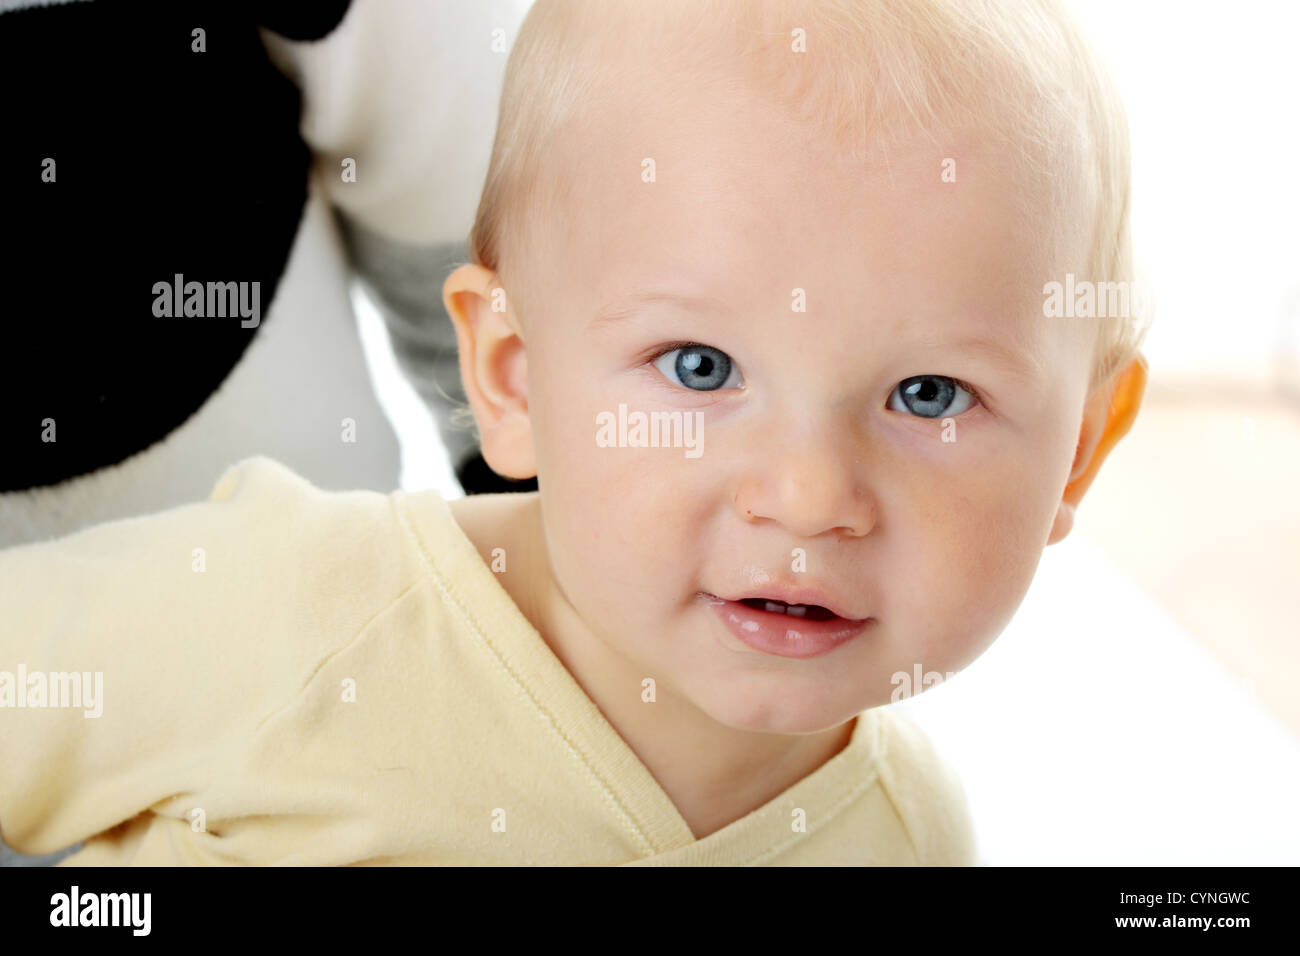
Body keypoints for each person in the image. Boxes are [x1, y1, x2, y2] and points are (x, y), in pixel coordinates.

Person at [0, 0, 1150, 865]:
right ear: (512, 375)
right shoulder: (286, 614)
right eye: (700, 368)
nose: (807, 495)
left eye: (931, 395)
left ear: (1081, 453)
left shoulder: (911, 831)